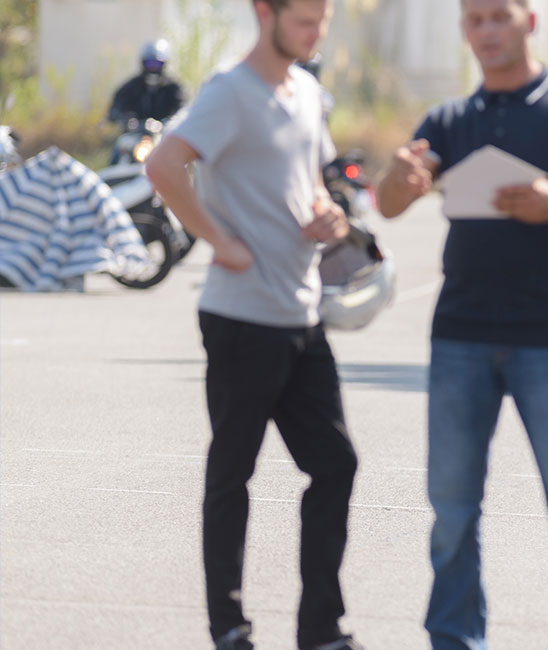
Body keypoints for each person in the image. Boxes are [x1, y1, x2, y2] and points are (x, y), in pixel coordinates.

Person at [373, 1, 548, 649]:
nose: (487, 30)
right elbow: (389, 203)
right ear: (465, 31)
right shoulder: (449, 119)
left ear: (530, 22)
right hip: (460, 334)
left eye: (499, 16)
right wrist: (398, 181)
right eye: (475, 19)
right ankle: (454, 639)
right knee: (453, 510)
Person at [142, 1, 363, 649]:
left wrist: (333, 219)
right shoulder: (231, 91)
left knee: (336, 465)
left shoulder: (306, 92)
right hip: (241, 317)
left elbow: (315, 185)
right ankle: (229, 627)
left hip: (302, 312)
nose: (316, 28)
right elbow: (162, 164)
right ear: (264, 11)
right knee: (233, 472)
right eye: (305, 16)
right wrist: (218, 240)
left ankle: (320, 630)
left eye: (324, 17)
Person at [107, 39, 187, 125]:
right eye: (149, 64)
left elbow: (183, 111)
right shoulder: (131, 87)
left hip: (165, 135)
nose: (153, 68)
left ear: (164, 65)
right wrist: (126, 119)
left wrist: (170, 121)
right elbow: (114, 110)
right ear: (143, 64)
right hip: (134, 135)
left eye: (157, 64)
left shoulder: (173, 88)